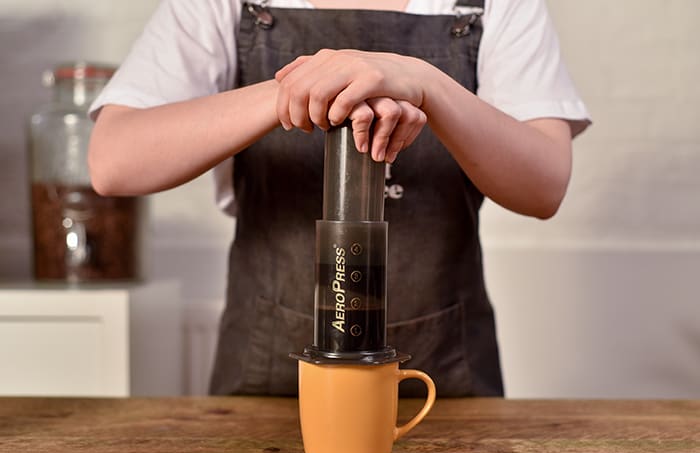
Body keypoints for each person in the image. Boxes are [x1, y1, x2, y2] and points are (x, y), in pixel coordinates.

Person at [88, 0, 591, 397]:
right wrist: (306, 88)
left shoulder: (495, 5)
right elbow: (114, 161)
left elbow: (543, 185)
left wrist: (426, 83)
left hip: (445, 384)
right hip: (263, 389)